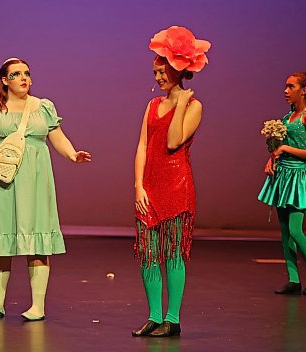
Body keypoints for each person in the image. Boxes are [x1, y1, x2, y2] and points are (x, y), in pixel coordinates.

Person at [0, 58, 91, 320]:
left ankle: (37, 306)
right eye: (16, 74)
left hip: (35, 180)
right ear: (4, 80)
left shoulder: (43, 107)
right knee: (1, 236)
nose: (23, 78)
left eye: (26, 73)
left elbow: (57, 137)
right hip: (3, 180)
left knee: (36, 238)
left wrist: (72, 154)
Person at [132, 26, 210, 337]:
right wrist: (138, 184)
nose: (158, 78)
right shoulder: (151, 106)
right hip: (150, 183)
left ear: (178, 70)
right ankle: (153, 315)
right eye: (155, 72)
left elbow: (174, 140)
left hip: (177, 184)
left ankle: (173, 319)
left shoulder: (194, 106)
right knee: (148, 251)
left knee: (173, 251)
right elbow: (142, 145)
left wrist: (179, 104)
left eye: (162, 72)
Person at [258, 72, 306, 295]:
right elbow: (278, 148)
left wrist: (286, 149)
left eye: (291, 87)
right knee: (285, 231)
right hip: (283, 176)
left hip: (299, 178)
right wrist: (272, 159)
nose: (286, 91)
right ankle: (293, 279)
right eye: (285, 87)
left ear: (304, 90)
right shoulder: (287, 117)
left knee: (296, 231)